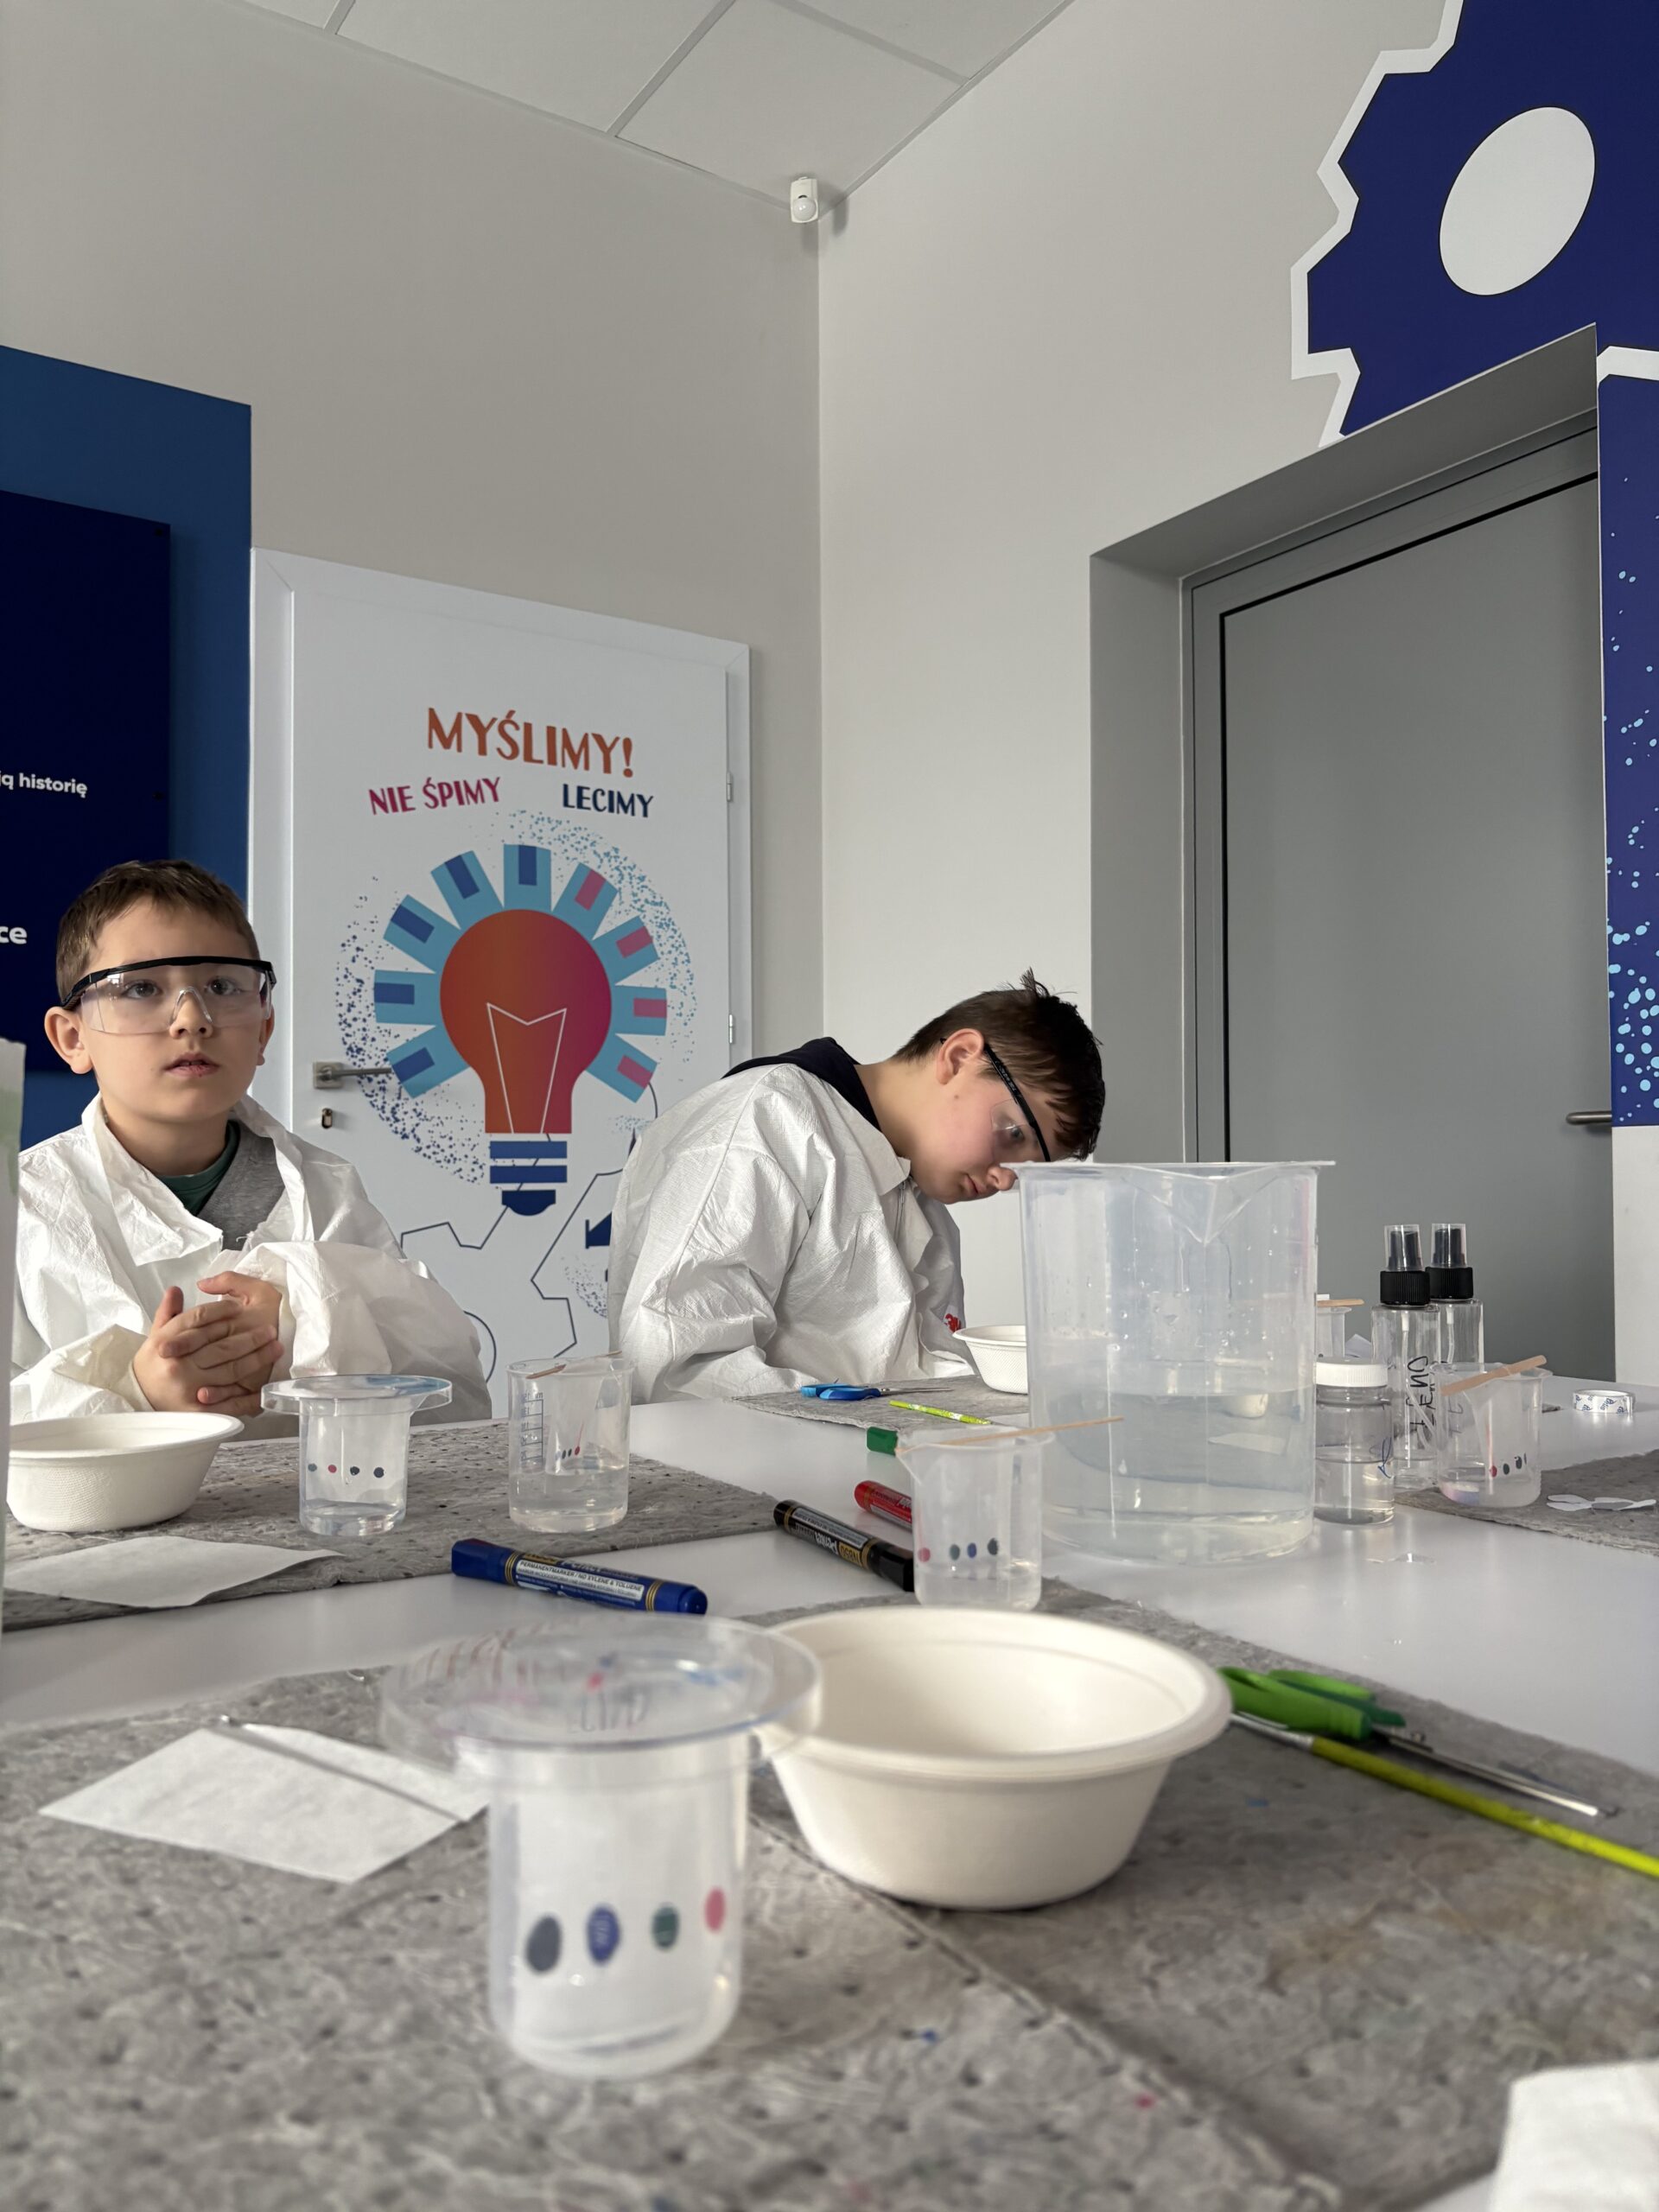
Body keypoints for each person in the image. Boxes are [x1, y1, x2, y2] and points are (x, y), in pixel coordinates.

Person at [13, 858, 491, 1430]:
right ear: (73, 1038)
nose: (192, 1019)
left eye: (221, 987)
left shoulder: (324, 1191)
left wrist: (307, 1321)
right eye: (141, 988)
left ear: (263, 1030)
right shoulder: (25, 1209)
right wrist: (136, 1395)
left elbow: (447, 1388)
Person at [608, 971, 1103, 1402]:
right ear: (958, 1057)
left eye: (1028, 1167)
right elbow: (676, 1371)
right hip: (754, 1477)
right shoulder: (769, 1120)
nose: (1005, 1177)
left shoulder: (923, 1206)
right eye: (1013, 1134)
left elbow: (914, 1380)